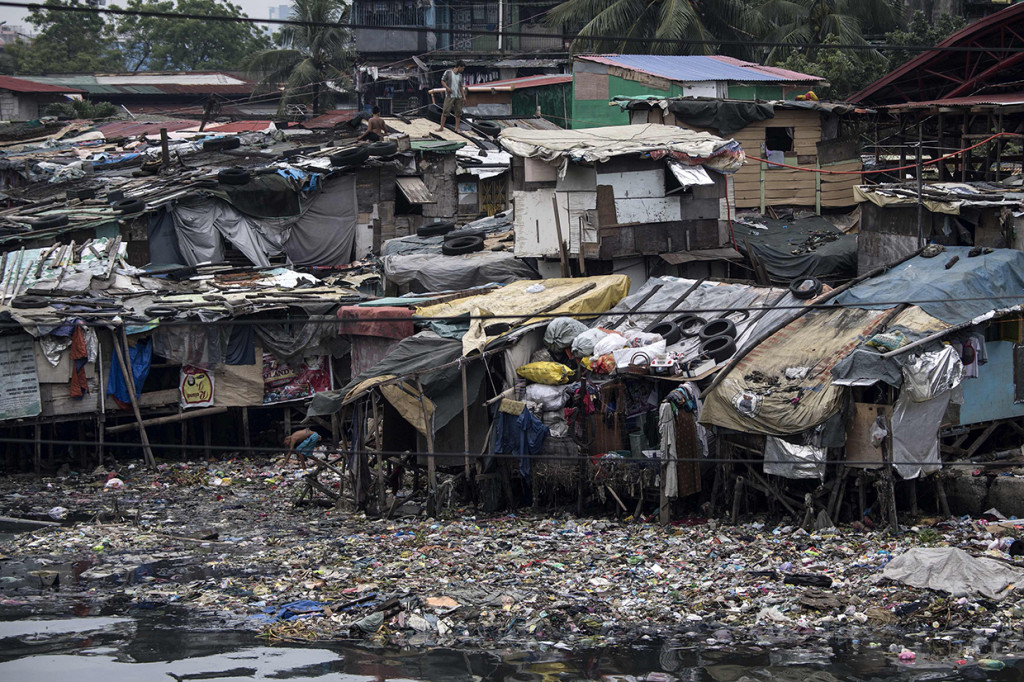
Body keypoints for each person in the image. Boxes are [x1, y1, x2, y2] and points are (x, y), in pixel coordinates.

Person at [437, 60, 467, 132]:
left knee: (458, 113)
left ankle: (456, 128)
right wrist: (447, 88)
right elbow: (442, 81)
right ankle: (441, 127)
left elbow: (461, 86)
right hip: (450, 95)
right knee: (445, 111)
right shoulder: (448, 72)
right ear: (459, 67)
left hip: (458, 95)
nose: (462, 70)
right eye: (462, 68)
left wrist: (464, 96)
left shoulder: (460, 75)